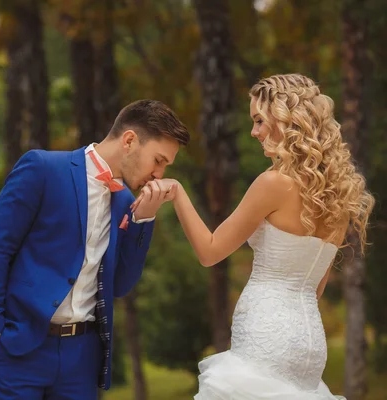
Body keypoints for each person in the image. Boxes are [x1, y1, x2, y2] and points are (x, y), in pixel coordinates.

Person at [131, 73, 375, 399]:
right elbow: (315, 288)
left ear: (285, 118)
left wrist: (177, 193)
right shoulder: (336, 196)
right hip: (311, 343)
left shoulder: (273, 183)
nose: (254, 131)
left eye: (259, 120)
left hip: (267, 336)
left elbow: (210, 251)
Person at [0, 99, 191, 399]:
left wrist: (144, 219)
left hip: (80, 360)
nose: (159, 175)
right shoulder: (42, 168)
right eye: (158, 160)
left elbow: (121, 284)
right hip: (17, 349)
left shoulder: (126, 202)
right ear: (129, 141)